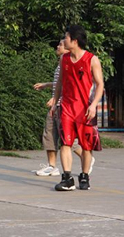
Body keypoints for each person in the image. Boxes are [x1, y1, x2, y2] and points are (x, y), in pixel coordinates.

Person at [51, 25, 104, 191]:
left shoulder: (92, 59)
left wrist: (94, 105)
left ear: (74, 41)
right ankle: (67, 178)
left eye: (66, 37)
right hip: (67, 107)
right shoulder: (64, 59)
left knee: (86, 146)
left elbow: (100, 84)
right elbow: (59, 83)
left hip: (85, 109)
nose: (63, 40)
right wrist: (55, 102)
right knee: (65, 143)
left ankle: (84, 176)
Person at [32, 39, 94, 177]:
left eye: (61, 44)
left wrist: (56, 99)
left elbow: (69, 86)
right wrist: (46, 85)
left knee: (66, 139)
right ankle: (52, 166)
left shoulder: (70, 63)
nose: (58, 46)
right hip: (56, 105)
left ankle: (86, 158)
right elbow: (58, 82)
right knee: (50, 135)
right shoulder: (61, 63)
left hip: (63, 106)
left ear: (68, 49)